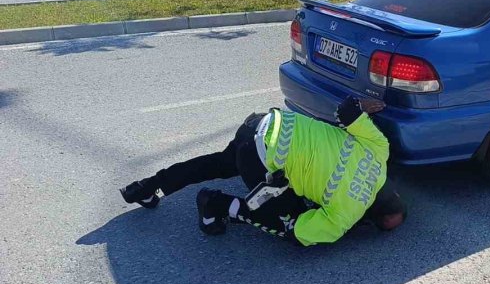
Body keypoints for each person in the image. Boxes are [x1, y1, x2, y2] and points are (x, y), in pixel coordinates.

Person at [119, 96, 407, 246]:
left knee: (219, 163)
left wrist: (365, 105)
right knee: (288, 223)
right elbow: (299, 233)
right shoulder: (346, 217)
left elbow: (346, 110)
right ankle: (215, 205)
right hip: (260, 157)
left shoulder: (379, 150)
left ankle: (147, 187)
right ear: (368, 219)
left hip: (264, 123)